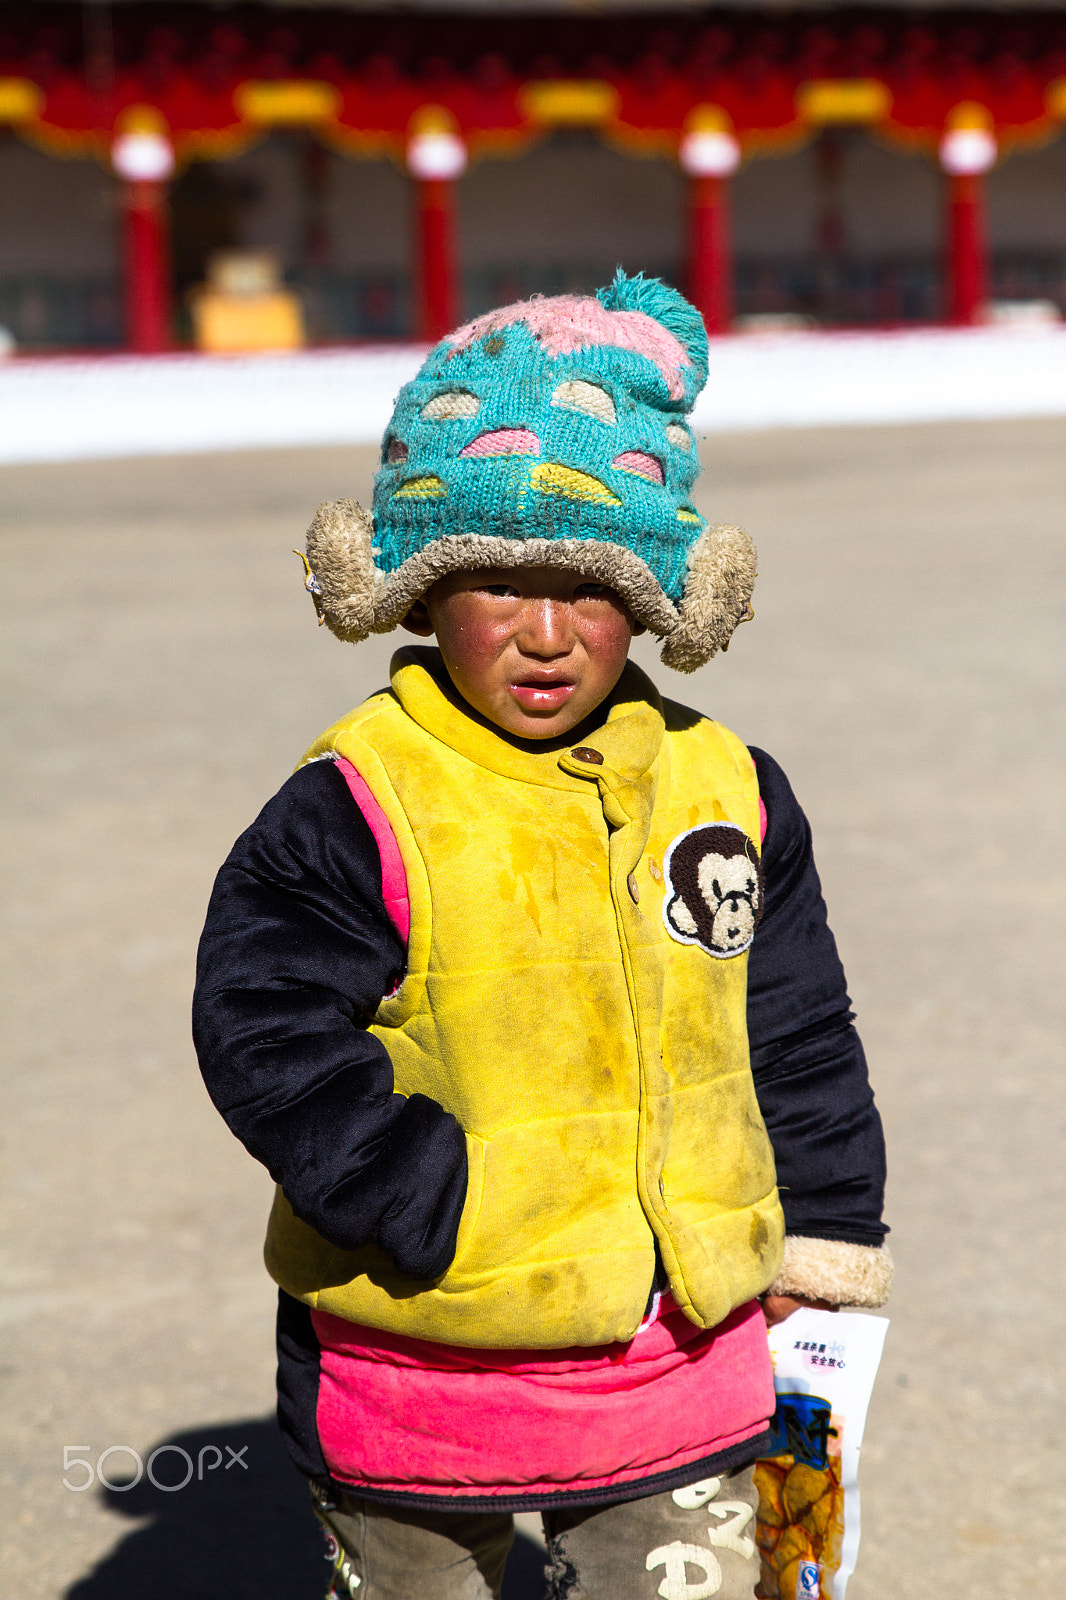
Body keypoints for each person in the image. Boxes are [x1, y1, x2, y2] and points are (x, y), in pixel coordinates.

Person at [193, 273, 891, 1600]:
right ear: (413, 584)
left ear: (657, 595)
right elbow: (266, 1028)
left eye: (589, 583)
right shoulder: (359, 798)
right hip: (418, 1345)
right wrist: (425, 1199)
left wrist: (825, 1227)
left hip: (670, 1352)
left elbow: (791, 1027)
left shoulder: (724, 788)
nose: (546, 634)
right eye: (497, 582)